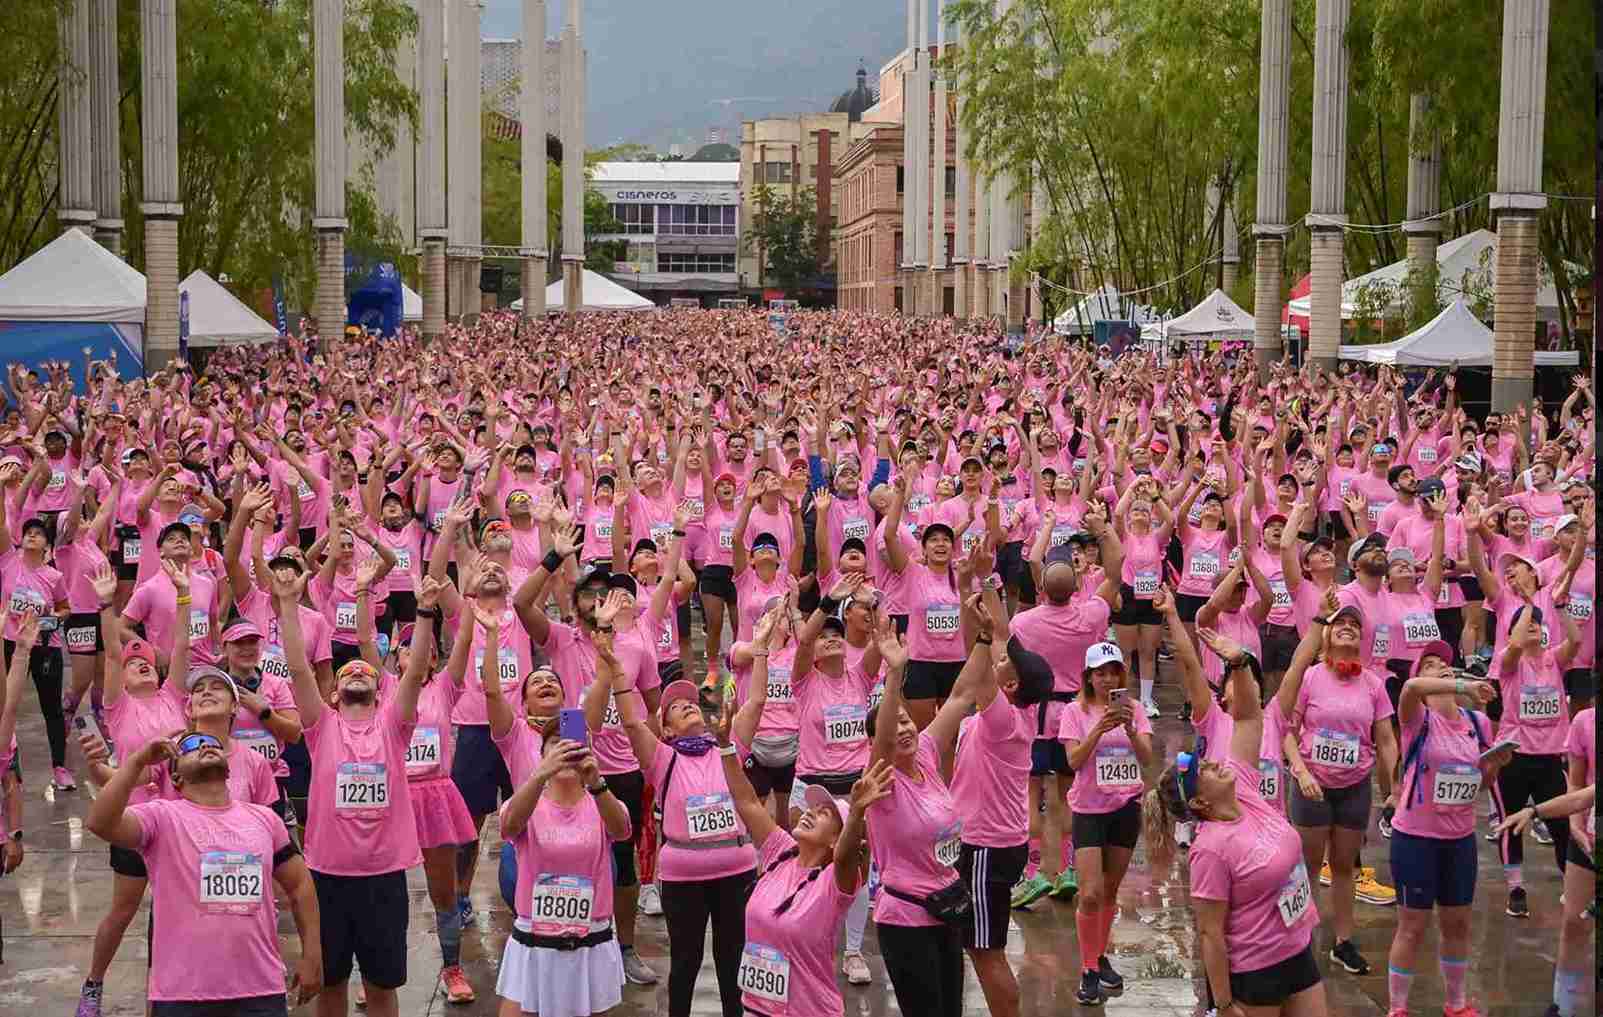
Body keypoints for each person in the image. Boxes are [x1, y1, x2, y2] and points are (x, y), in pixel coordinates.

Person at [1143, 614, 1329, 1017]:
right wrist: (1224, 1004)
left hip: (1298, 951)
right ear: (1199, 805)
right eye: (1203, 771)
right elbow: (1210, 933)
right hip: (1256, 969)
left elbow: (1248, 717)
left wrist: (1240, 663)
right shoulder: (1209, 850)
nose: (1214, 764)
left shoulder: (1243, 784)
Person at [84, 729, 323, 1017]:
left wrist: (312, 953)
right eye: (191, 746)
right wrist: (136, 761)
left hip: (261, 989)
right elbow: (100, 822)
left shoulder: (264, 819)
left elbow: (299, 884)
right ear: (176, 779)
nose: (205, 746)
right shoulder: (161, 816)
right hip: (182, 993)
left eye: (212, 744)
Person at [276, 565, 423, 1017]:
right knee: (331, 983)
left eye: (365, 672)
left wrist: (428, 614)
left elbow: (415, 673)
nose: (356, 672)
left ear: (380, 694)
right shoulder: (320, 726)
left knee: (381, 986)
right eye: (347, 674)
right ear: (335, 693)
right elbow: (299, 667)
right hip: (328, 876)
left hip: (383, 877)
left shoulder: (394, 726)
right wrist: (286, 602)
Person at [598, 636, 757, 1017]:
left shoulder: (727, 748)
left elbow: (757, 702)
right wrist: (618, 674)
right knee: (685, 964)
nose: (686, 705)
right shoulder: (662, 759)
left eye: (690, 702)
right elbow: (633, 722)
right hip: (684, 878)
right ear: (665, 730)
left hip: (737, 872)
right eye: (675, 708)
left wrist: (762, 650)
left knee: (733, 964)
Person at [715, 666, 888, 1017]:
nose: (810, 813)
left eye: (825, 814)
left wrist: (855, 813)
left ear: (836, 840)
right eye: (813, 808)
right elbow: (747, 801)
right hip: (757, 1009)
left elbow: (846, 856)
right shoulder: (780, 850)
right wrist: (724, 746)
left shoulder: (835, 881)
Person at [1382, 641, 1508, 1017]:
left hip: (1460, 841)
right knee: (1413, 927)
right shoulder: (1416, 718)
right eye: (1432, 665)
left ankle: (1456, 1004)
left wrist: (1495, 765)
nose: (1443, 669)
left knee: (1457, 924)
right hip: (1416, 840)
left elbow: (1480, 782)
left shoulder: (1477, 723)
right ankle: (1398, 1008)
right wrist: (1462, 687)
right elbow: (1408, 690)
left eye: (1447, 664)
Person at [953, 556, 1055, 1017]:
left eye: (1004, 664)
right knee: (980, 943)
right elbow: (990, 646)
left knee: (985, 950)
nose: (997, 658)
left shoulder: (1002, 721)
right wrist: (973, 589)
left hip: (984, 848)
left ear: (1010, 684)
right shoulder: (1022, 710)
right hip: (996, 845)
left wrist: (979, 625)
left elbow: (976, 672)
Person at [1279, 593, 1399, 976]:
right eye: (1340, 624)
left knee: (1345, 865)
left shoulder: (1373, 684)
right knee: (1309, 865)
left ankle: (1344, 941)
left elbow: (1385, 739)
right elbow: (1285, 730)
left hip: (1355, 786)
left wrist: (1391, 784)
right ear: (1327, 636)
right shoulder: (1311, 677)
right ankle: (1301, 939)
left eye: (1354, 625)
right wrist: (1300, 771)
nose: (1347, 628)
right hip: (1312, 784)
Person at [864, 614, 975, 1017]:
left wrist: (984, 634)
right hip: (905, 917)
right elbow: (884, 737)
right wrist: (896, 673)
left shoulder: (926, 753)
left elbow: (962, 695)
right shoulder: (882, 777)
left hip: (947, 908)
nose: (905, 730)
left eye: (908, 720)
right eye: (895, 726)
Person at [495, 720, 632, 1017]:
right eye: (556, 743)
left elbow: (621, 831)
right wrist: (541, 773)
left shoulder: (602, 801)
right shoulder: (528, 804)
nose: (567, 751)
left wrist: (597, 783)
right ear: (542, 753)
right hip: (533, 938)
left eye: (574, 744)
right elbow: (508, 826)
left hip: (590, 939)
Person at [1059, 639, 1154, 1005]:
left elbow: (1146, 758)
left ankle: (1098, 956)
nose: (1108, 678)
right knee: (1090, 893)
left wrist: (1129, 727)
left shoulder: (1134, 709)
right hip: (1088, 810)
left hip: (1125, 807)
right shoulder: (1074, 712)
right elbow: (1073, 761)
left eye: (1114, 671)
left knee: (1111, 892)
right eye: (1101, 673)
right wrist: (1098, 729)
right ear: (1088, 677)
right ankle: (1088, 969)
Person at [1492, 594, 1581, 918]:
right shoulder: (1509, 661)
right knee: (1511, 822)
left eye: (1537, 624)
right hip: (1514, 755)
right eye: (1525, 624)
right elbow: (1514, 645)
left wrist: (1559, 609)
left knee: (1562, 825)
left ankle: (1572, 882)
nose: (1533, 627)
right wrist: (1528, 603)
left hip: (1548, 757)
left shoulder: (1554, 659)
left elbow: (1577, 639)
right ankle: (1515, 887)